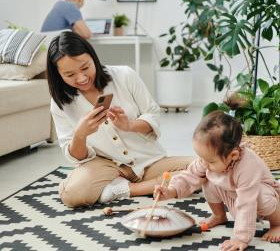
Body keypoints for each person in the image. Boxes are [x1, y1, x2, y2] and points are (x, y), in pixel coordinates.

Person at [47, 31, 193, 208]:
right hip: (105, 166)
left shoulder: (124, 75)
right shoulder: (60, 104)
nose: (82, 78)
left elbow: (152, 113)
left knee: (205, 169)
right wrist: (80, 135)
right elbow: (76, 156)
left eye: (85, 67)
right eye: (70, 75)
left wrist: (130, 125)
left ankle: (120, 189)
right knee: (72, 195)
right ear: (58, 75)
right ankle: (148, 185)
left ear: (93, 57)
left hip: (148, 161)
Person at [154, 111, 280, 250]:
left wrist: (241, 238)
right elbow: (190, 175)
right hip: (234, 195)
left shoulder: (248, 165)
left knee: (263, 197)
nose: (204, 163)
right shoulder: (208, 160)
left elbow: (246, 202)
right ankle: (219, 215)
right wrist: (171, 191)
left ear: (233, 155)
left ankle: (277, 224)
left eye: (210, 160)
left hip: (259, 197)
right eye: (201, 158)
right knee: (208, 179)